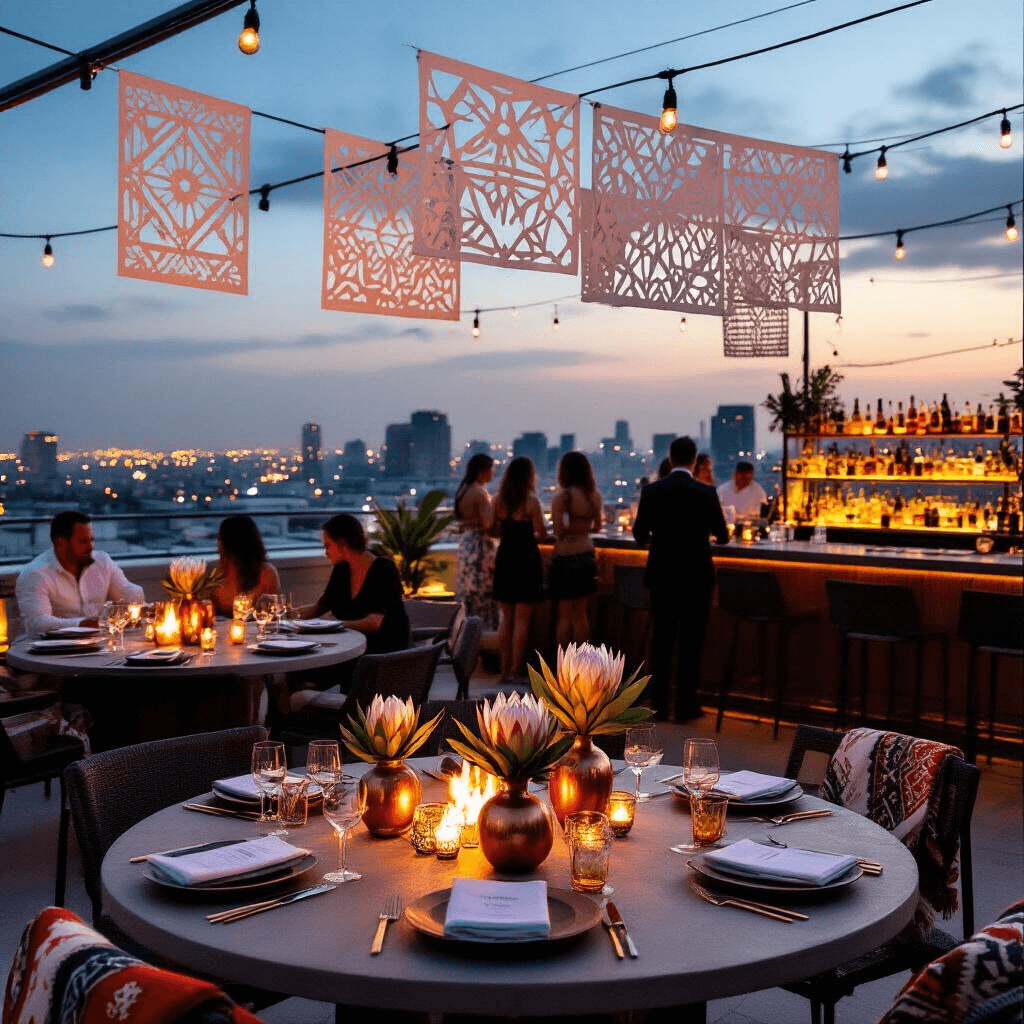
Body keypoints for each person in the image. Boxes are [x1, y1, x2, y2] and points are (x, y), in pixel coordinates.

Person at [632, 436, 729, 721]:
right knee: (691, 642)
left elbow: (639, 535)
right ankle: (687, 706)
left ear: (671, 459)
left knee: (661, 640)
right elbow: (722, 535)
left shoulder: (652, 491)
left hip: (662, 574)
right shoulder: (706, 492)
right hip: (696, 576)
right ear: (694, 460)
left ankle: (659, 705)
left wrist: (661, 539)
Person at [16, 511, 145, 636]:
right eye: (83, 541)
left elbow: (127, 592)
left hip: (96, 644)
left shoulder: (102, 562)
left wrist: (137, 599)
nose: (91, 546)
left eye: (91, 539)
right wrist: (84, 624)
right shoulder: (35, 574)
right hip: (50, 650)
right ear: (60, 543)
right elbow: (36, 624)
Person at [302, 514, 409, 654]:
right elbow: (321, 607)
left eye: (328, 546)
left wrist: (332, 626)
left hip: (383, 652)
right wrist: (286, 616)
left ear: (342, 543)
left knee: (311, 665)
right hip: (350, 647)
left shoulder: (383, 569)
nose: (326, 553)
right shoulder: (341, 569)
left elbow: (373, 623)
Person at [490, 456, 549, 684]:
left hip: (505, 557)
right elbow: (543, 533)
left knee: (506, 618)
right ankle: (515, 671)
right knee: (522, 620)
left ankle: (502, 671)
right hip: (526, 559)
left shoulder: (498, 500)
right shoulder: (532, 500)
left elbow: (494, 530)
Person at [549, 451, 603, 647]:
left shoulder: (561, 498)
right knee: (581, 615)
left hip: (565, 557)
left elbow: (558, 530)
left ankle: (563, 668)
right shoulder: (594, 497)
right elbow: (597, 526)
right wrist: (582, 527)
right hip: (586, 555)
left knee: (564, 616)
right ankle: (583, 666)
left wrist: (569, 527)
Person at [453, 453, 498, 631]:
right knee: (483, 595)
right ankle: (483, 636)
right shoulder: (479, 493)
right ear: (482, 471)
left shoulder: (463, 489)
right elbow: (489, 526)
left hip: (467, 545)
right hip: (479, 547)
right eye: (490, 470)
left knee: (470, 595)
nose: (492, 474)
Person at [210, 515, 281, 617]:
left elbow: (275, 613)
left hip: (258, 630)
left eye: (219, 538)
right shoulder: (215, 572)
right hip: (223, 631)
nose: (217, 542)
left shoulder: (266, 573)